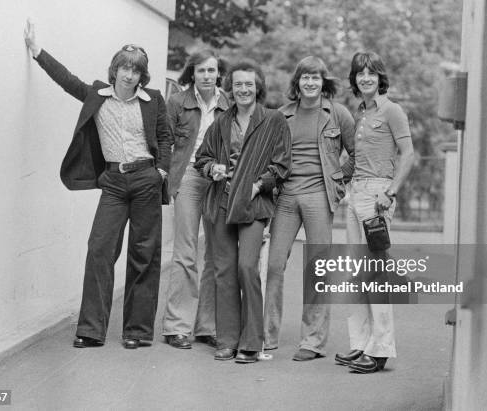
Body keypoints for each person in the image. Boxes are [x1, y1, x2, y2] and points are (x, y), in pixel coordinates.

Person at [23, 20, 171, 349]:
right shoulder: (97, 95)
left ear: (142, 76)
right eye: (124, 68)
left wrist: (160, 172)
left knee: (144, 254)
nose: (129, 75)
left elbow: (165, 137)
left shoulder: (153, 100)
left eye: (136, 71)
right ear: (115, 70)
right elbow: (67, 80)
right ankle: (91, 329)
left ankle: (137, 331)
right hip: (115, 184)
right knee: (99, 250)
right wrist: (37, 51)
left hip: (146, 179)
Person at [194, 60, 292, 364]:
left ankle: (251, 342)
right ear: (230, 88)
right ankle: (226, 340)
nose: (244, 89)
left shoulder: (274, 121)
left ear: (258, 86)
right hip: (221, 203)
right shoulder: (221, 122)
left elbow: (282, 165)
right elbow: (202, 158)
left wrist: (257, 185)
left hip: (253, 203)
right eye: (238, 84)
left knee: (247, 268)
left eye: (249, 84)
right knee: (223, 271)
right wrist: (213, 169)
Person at [264, 56, 355, 361]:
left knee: (317, 268)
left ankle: (313, 342)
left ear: (323, 81)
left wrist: (338, 182)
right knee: (274, 265)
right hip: (286, 197)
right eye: (305, 77)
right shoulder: (281, 115)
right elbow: (268, 156)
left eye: (316, 77)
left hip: (319, 196)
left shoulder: (337, 114)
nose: (311, 82)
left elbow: (355, 154)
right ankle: (266, 335)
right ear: (297, 82)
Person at [336, 51, 414, 373]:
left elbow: (408, 154)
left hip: (377, 196)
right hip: (355, 194)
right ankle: (361, 344)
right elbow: (356, 159)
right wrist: (337, 178)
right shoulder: (361, 112)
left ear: (380, 77)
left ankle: (381, 349)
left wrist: (390, 192)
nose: (365, 78)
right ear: (354, 79)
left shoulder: (392, 110)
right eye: (359, 74)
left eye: (371, 73)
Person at [161, 50, 230, 349]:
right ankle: (177, 326)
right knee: (185, 253)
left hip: (218, 179)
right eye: (201, 70)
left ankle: (206, 326)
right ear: (193, 73)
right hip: (188, 177)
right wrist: (167, 177)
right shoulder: (177, 101)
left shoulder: (228, 103)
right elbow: (164, 140)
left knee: (216, 254)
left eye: (211, 70)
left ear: (218, 73)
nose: (206, 76)